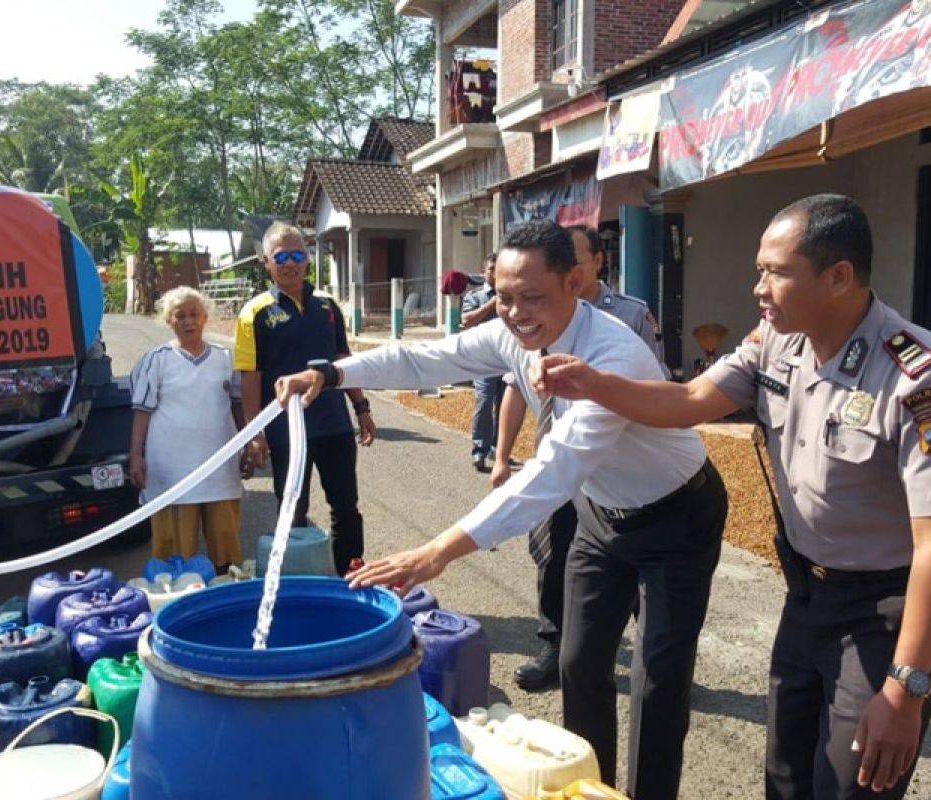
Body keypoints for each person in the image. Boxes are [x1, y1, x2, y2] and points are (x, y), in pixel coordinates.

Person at [534, 194, 931, 799]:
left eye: (775, 272)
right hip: (808, 591)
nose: (758, 288)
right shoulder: (778, 341)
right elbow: (687, 404)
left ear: (838, 276)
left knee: (852, 786)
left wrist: (905, 688)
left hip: (886, 608)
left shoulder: (920, 376)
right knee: (786, 777)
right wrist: (592, 382)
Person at [277, 219, 728, 800]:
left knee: (658, 681)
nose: (514, 313)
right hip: (602, 515)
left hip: (675, 517)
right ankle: (593, 790)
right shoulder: (511, 336)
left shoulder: (613, 353)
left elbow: (551, 474)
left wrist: (438, 551)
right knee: (579, 662)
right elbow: (425, 362)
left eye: (531, 297)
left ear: (575, 281)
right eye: (503, 297)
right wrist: (333, 372)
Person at [495, 223, 667, 691]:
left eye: (575, 258)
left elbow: (656, 388)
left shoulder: (627, 318)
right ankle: (556, 644)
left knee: (626, 565)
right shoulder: (528, 318)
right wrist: (502, 456)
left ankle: (654, 656)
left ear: (591, 266)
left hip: (609, 460)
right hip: (556, 450)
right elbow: (513, 386)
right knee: (553, 552)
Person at [235, 222, 376, 576]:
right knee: (292, 507)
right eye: (281, 256)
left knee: (345, 505)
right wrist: (255, 434)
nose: (290, 263)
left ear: (307, 260)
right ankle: (296, 579)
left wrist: (361, 408)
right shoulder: (254, 313)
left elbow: (345, 362)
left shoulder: (328, 306)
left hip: (334, 425)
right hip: (287, 432)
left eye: (297, 255)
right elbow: (250, 380)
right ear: (266, 261)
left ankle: (350, 574)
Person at [129, 286, 248, 570]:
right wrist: (135, 455)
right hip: (172, 470)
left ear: (205, 317)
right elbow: (142, 412)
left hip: (219, 466)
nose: (188, 321)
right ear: (168, 321)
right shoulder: (156, 360)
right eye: (179, 315)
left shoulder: (226, 358)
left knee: (225, 548)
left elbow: (239, 406)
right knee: (174, 555)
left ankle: (227, 596)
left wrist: (251, 442)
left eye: (194, 314)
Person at [461, 252, 503, 471]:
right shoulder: (474, 296)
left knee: (506, 406)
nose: (495, 273)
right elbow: (466, 321)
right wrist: (491, 304)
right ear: (483, 272)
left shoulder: (511, 294)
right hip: (484, 361)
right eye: (491, 269)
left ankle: (499, 448)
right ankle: (479, 451)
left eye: (499, 269)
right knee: (484, 404)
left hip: (508, 360)